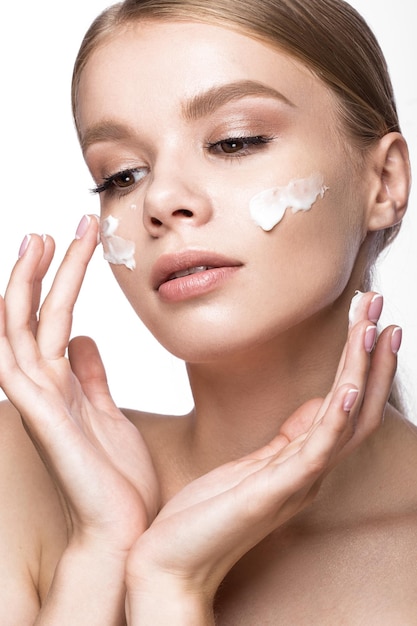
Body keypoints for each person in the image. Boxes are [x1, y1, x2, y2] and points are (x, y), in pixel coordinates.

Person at [0, 0, 415, 623]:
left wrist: (173, 586)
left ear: (383, 181)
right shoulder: (19, 472)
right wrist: (101, 551)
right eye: (122, 175)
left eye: (234, 141)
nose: (162, 200)